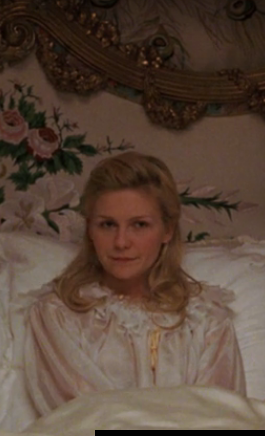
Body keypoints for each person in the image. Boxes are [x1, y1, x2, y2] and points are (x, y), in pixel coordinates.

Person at [24, 152, 245, 416]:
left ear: (167, 230)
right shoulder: (60, 314)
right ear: (90, 230)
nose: (121, 242)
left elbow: (221, 417)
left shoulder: (206, 320)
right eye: (107, 225)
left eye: (139, 225)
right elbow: (80, 416)